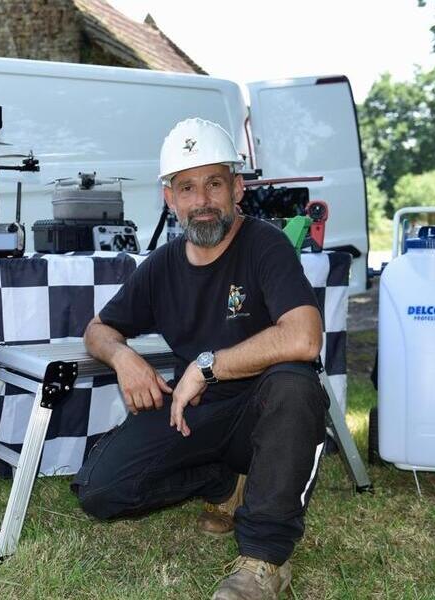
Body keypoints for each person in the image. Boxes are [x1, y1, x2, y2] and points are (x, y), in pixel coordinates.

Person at [73, 118, 328, 600]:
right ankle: (223, 484)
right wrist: (123, 357)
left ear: (237, 189)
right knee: (101, 493)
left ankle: (264, 561)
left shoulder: (265, 245)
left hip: (264, 415)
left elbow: (305, 337)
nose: (202, 200)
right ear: (170, 199)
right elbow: (97, 329)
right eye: (187, 188)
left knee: (296, 384)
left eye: (214, 183)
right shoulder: (163, 264)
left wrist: (207, 365)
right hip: (196, 415)